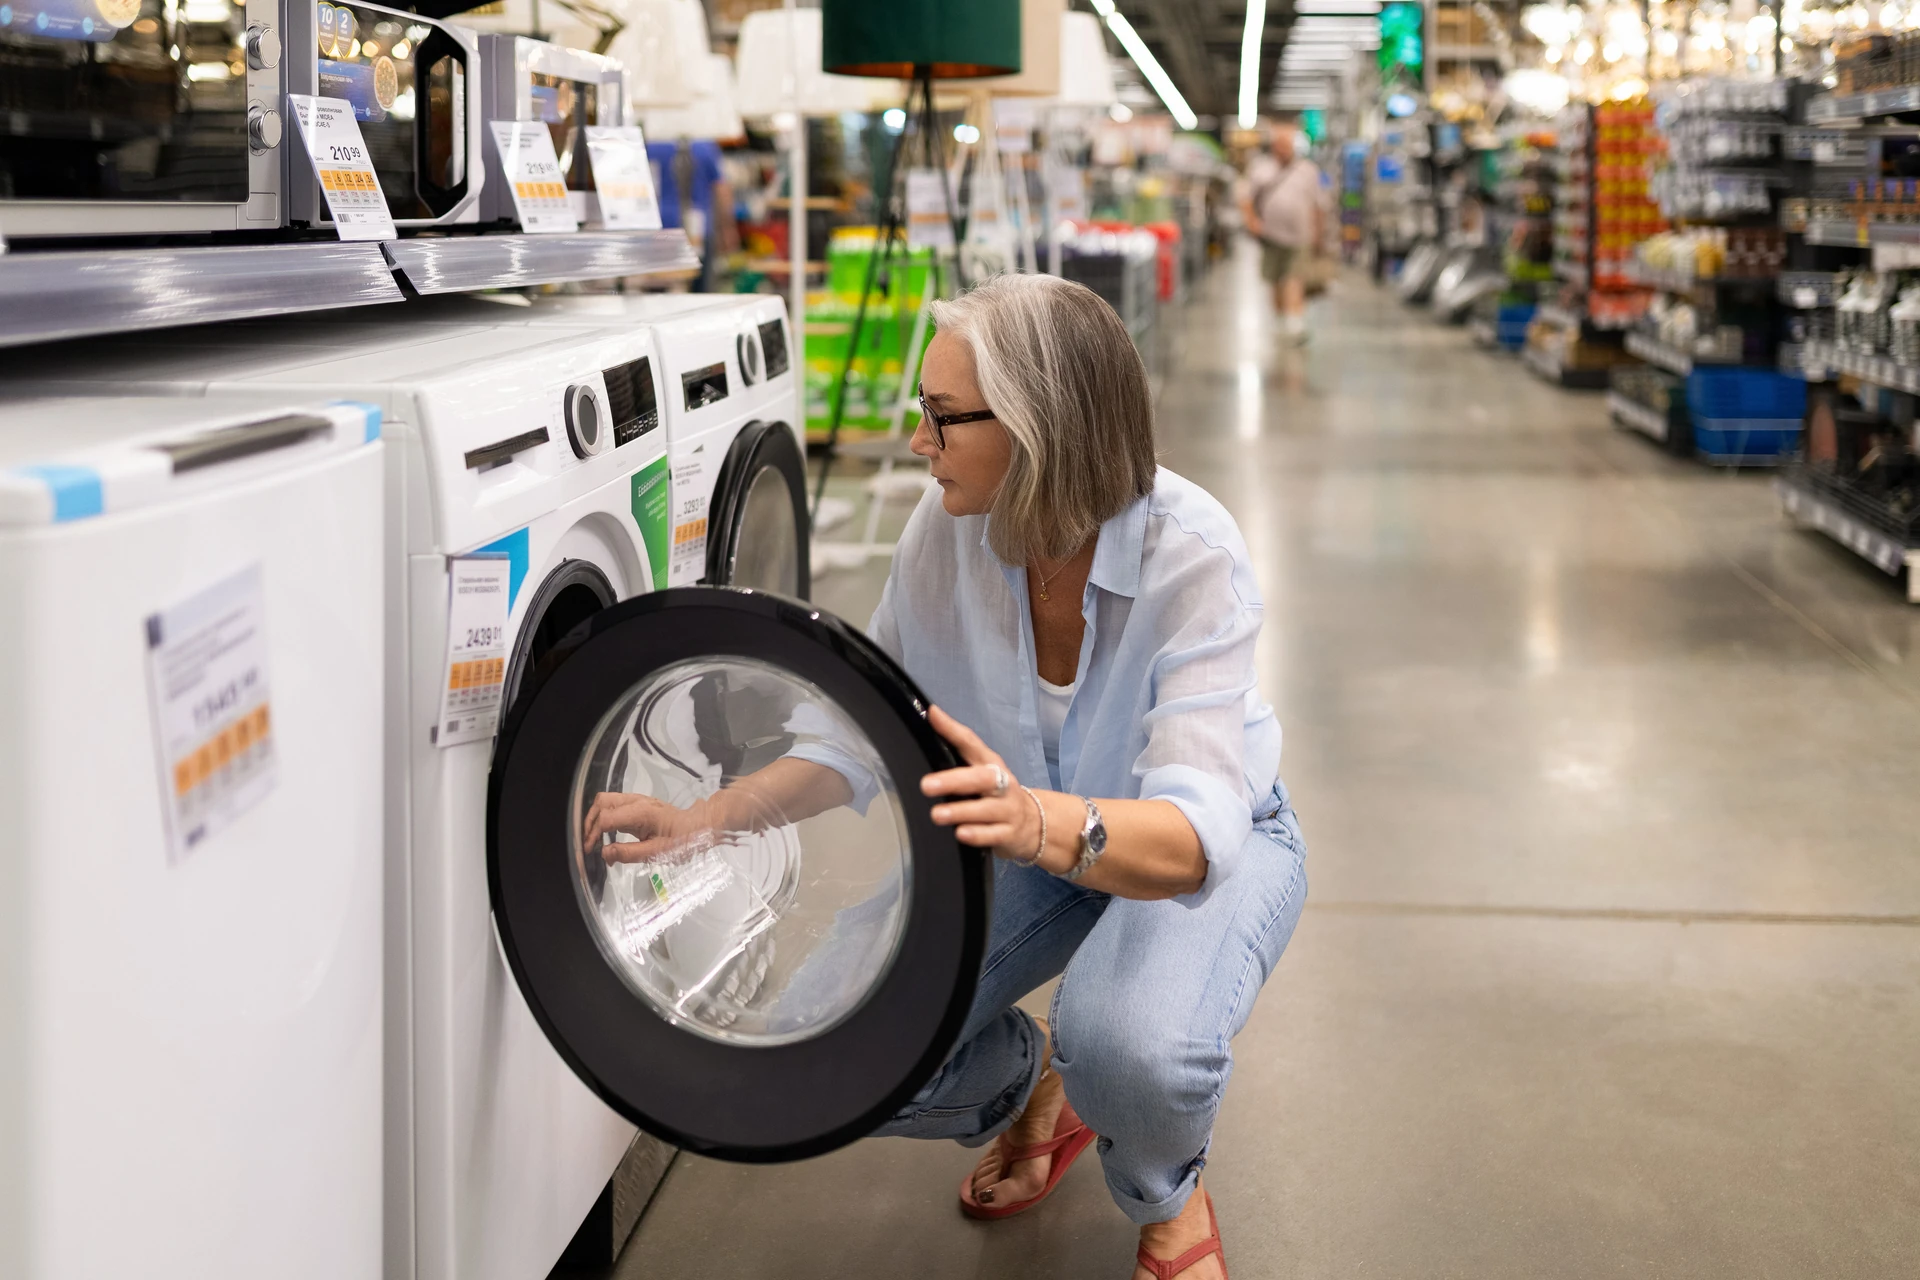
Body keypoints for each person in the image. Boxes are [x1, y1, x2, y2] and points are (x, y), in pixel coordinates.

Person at [587, 274, 1307, 1280]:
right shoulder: (946, 531)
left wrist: (1038, 822)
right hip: (1019, 832)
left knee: (1133, 1044)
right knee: (843, 1037)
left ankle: (1166, 1193)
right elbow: (865, 731)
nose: (917, 442)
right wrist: (711, 814)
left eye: (940, 417)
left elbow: (1193, 836)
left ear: (1038, 427)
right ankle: (1032, 1086)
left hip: (1181, 847)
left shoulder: (1195, 555)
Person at [1240, 121, 1327, 345]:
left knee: (1294, 278)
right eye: (1280, 145)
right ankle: (1281, 319)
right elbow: (1247, 200)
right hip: (1270, 236)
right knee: (1276, 279)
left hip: (1301, 236)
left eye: (1287, 145)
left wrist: (1319, 234)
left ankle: (1294, 322)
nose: (1284, 149)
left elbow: (1318, 206)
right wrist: (1252, 222)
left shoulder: (1307, 170)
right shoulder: (1261, 169)